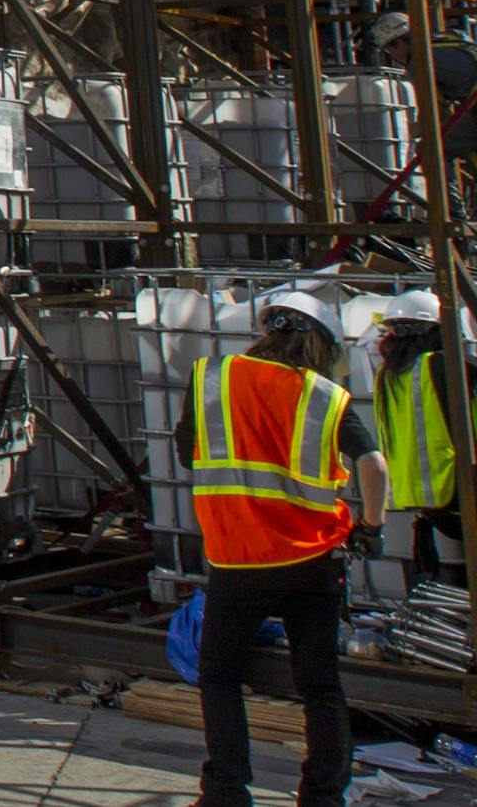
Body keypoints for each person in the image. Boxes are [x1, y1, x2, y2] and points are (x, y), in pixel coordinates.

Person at [182, 285, 388, 807]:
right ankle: (322, 796)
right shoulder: (326, 396)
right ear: (320, 344)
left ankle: (226, 792)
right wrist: (372, 524)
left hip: (238, 556)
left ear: (266, 331)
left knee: (220, 677)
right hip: (312, 557)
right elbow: (374, 465)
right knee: (320, 686)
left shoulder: (214, 377)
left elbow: (188, 453)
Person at [370, 290, 477, 581]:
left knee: (448, 568)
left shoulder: (387, 375)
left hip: (416, 495)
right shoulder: (446, 365)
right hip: (457, 487)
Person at [370, 11, 477, 153]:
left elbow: (431, 117)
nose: (394, 57)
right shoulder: (449, 39)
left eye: (389, 51)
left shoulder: (419, 62)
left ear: (400, 42)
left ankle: (443, 176)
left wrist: (406, 130)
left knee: (428, 148)